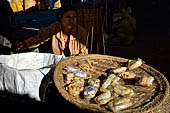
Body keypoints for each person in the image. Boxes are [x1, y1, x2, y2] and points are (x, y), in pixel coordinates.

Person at [14, 6, 88, 57]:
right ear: (60, 18)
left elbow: (84, 53)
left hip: (75, 64)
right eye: (68, 17)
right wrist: (24, 43)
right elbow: (39, 38)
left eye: (74, 17)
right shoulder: (54, 28)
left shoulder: (81, 32)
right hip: (57, 62)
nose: (71, 20)